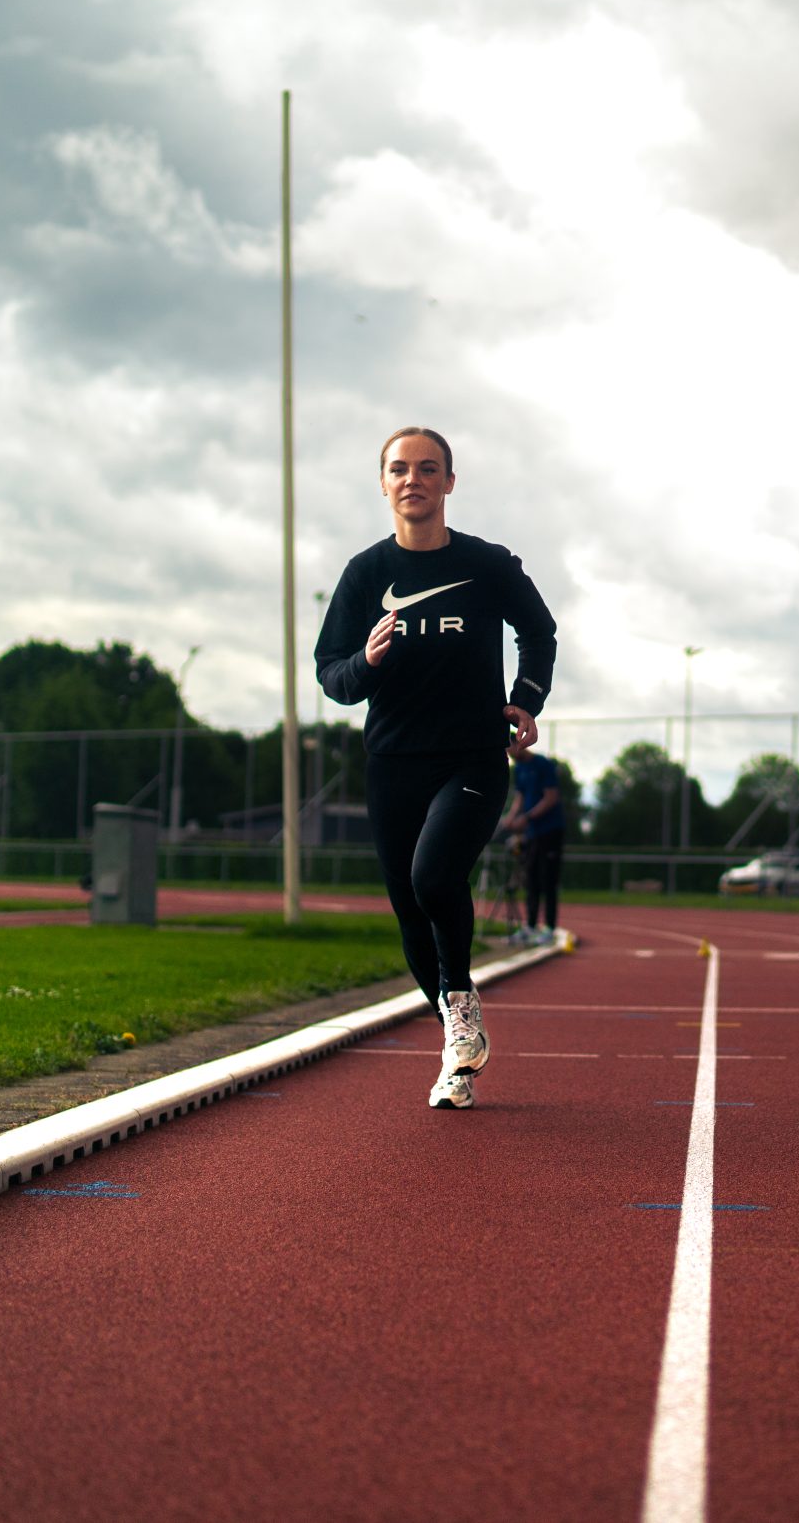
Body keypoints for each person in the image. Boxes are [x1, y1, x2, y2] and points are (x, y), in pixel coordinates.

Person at [315, 426, 557, 1110]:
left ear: (449, 482)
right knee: (408, 911)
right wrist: (367, 661)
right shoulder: (365, 574)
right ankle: (458, 1052)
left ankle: (459, 1000)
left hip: (473, 756)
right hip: (392, 762)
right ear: (384, 483)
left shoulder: (487, 565)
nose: (413, 479)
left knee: (434, 876)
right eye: (399, 469)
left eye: (428, 469)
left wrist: (525, 699)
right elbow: (331, 674)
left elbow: (538, 632)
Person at [500, 739, 566, 945]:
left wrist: (527, 818)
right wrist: (511, 817)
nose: (509, 754)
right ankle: (530, 926)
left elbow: (550, 797)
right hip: (533, 833)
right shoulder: (519, 769)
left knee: (548, 879)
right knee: (532, 879)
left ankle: (549, 928)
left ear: (517, 743)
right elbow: (520, 797)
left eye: (509, 748)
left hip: (550, 831)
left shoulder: (543, 765)